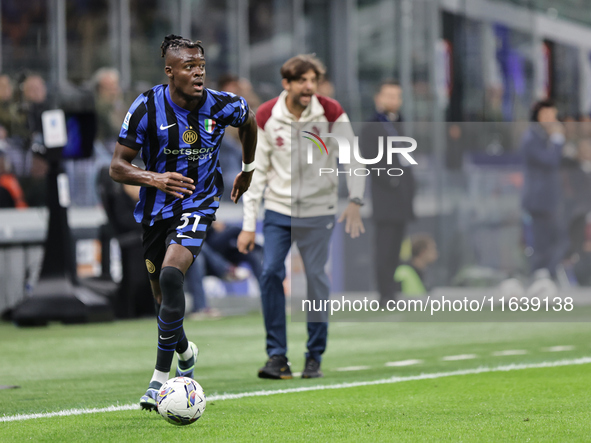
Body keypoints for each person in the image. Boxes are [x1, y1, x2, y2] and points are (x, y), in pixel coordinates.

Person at [109, 34, 257, 411]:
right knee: (163, 300)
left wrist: (248, 169)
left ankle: (160, 381)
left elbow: (249, 121)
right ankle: (186, 351)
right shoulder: (145, 108)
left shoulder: (221, 104)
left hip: (199, 203)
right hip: (156, 211)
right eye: (189, 67)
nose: (198, 73)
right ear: (170, 72)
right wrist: (154, 178)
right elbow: (117, 166)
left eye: (201, 67)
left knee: (174, 276)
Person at [238, 54, 365, 380]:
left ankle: (314, 357)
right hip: (279, 211)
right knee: (269, 274)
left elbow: (353, 159)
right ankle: (277, 357)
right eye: (303, 81)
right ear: (287, 84)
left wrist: (355, 199)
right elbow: (255, 172)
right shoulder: (266, 116)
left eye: (313, 80)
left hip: (319, 212)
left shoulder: (332, 113)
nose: (309, 87)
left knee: (317, 281)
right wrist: (249, 225)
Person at [361, 79, 415, 306]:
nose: (394, 101)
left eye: (397, 96)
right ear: (379, 99)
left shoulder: (400, 124)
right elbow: (371, 160)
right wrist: (391, 180)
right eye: (389, 95)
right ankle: (384, 293)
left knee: (396, 248)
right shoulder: (372, 126)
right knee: (384, 247)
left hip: (402, 198)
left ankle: (392, 291)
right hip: (385, 197)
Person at [520, 99, 567, 279]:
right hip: (539, 200)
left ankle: (546, 275)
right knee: (543, 242)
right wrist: (557, 139)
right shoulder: (531, 138)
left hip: (548, 200)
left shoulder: (541, 137)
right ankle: (541, 276)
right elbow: (550, 162)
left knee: (554, 240)